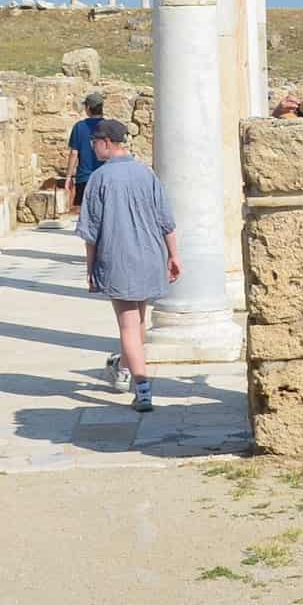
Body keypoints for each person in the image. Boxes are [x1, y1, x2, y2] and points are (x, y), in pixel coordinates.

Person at [73, 117, 180, 413]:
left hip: (118, 259)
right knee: (139, 321)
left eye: (94, 143)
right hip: (150, 257)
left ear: (107, 143)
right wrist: (173, 255)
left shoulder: (99, 179)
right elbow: (166, 221)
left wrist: (90, 268)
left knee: (128, 324)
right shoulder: (147, 175)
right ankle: (122, 367)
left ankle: (142, 389)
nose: (92, 148)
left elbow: (90, 232)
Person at [61, 92, 106, 222]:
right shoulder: (108, 126)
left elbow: (74, 153)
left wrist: (68, 177)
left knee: (83, 209)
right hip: (104, 175)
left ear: (88, 108)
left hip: (84, 176)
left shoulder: (79, 127)